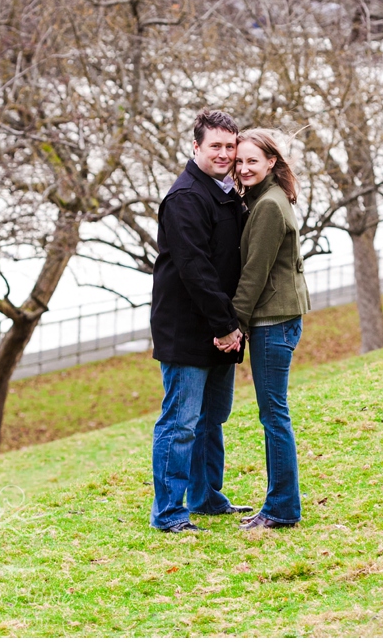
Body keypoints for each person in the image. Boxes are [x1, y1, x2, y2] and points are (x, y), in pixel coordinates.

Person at [149, 109, 253, 532]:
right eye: (216, 146)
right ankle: (170, 513)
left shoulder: (226, 193)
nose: (225, 154)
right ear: (196, 148)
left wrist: (229, 326)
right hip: (189, 329)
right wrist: (225, 326)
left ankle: (207, 498)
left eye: (231, 146)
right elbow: (196, 270)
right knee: (180, 423)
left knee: (213, 418)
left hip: (219, 327)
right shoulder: (186, 197)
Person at [215, 129, 310, 529]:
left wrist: (233, 325)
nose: (244, 168)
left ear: (271, 162)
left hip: (274, 321)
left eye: (253, 161)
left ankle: (282, 509)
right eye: (239, 162)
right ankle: (279, 504)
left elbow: (254, 274)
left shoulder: (269, 206)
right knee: (274, 414)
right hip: (276, 318)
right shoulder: (261, 200)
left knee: (274, 416)